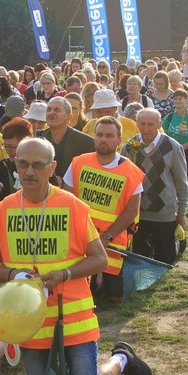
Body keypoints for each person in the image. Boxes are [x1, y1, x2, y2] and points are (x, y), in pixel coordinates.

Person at [0, 137, 153, 375]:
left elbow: (99, 259)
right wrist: (14, 274)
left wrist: (64, 274)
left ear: (52, 168)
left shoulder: (72, 205)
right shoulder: (2, 210)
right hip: (28, 319)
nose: (28, 172)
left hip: (73, 313)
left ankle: (122, 358)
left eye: (37, 166)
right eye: (22, 164)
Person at [64, 117, 144, 304]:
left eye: (109, 135)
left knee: (115, 295)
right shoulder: (78, 162)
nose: (103, 139)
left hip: (112, 242)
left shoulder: (131, 171)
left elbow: (131, 211)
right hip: (80, 239)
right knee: (87, 289)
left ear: (119, 139)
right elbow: (68, 201)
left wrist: (106, 237)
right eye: (99, 135)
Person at [123, 109, 188, 264]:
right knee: (140, 257)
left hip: (164, 212)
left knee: (165, 259)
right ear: (137, 123)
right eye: (142, 124)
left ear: (159, 124)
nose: (146, 129)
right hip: (138, 212)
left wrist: (181, 212)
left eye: (151, 124)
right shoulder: (129, 146)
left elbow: (182, 182)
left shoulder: (173, 147)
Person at [36, 97, 94, 187]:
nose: (51, 113)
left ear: (69, 116)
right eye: (49, 110)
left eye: (57, 110)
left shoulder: (86, 143)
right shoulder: (37, 139)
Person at [0, 118, 33, 207]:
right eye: (5, 146)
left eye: (13, 147)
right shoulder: (2, 166)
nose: (8, 151)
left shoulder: (40, 166)